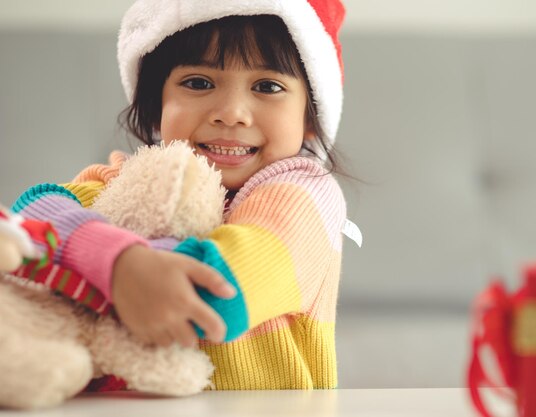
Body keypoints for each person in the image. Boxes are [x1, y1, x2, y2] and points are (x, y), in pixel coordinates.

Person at [11, 0, 352, 390]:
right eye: (198, 83)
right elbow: (26, 224)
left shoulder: (305, 197)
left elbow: (215, 297)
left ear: (310, 117)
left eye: (268, 86)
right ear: (156, 104)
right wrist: (117, 261)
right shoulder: (131, 179)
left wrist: (97, 263)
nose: (231, 113)